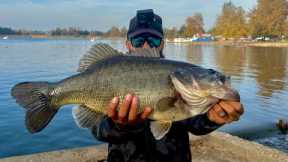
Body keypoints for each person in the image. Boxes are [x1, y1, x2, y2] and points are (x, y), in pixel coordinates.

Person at [92, 9, 244, 162]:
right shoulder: (109, 73)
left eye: (154, 40)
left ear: (162, 44)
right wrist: (120, 126)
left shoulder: (181, 78)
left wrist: (211, 118)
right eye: (138, 40)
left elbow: (195, 124)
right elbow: (98, 130)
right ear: (128, 44)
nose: (146, 45)